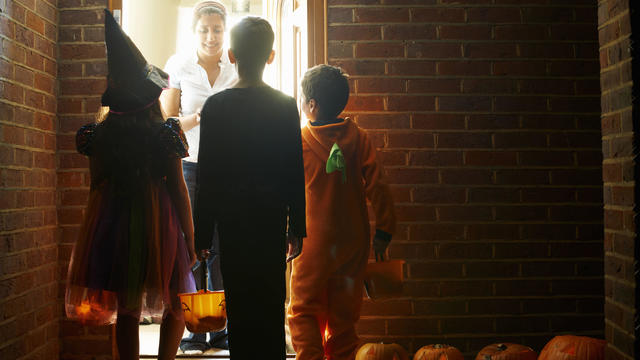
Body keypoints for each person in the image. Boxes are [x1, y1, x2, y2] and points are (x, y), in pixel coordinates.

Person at [64, 10, 196, 360]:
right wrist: (190, 236)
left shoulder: (98, 135)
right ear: (150, 96)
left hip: (114, 221)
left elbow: (96, 184)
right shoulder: (165, 132)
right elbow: (178, 188)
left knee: (127, 307)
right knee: (176, 301)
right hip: (160, 223)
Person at [194, 17, 306, 359]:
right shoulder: (286, 105)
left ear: (230, 54)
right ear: (270, 56)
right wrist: (297, 226)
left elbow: (207, 175)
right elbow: (293, 170)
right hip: (270, 220)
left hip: (233, 224)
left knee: (240, 305)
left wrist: (202, 234)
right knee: (271, 304)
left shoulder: (216, 107)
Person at [287, 64, 396, 360]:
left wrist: (287, 232)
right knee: (343, 318)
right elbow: (380, 187)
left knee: (304, 310)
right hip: (352, 244)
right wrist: (384, 231)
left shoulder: (298, 142)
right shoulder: (358, 137)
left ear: (311, 105)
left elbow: (288, 193)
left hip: (312, 245)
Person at [159, 0, 237, 353]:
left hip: (227, 167)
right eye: (204, 30)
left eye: (217, 30)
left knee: (221, 246)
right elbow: (168, 121)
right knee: (190, 245)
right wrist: (203, 117)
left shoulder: (236, 66)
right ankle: (193, 329)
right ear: (195, 32)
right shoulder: (178, 65)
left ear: (226, 31)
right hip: (188, 165)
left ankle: (220, 326)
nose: (211, 37)